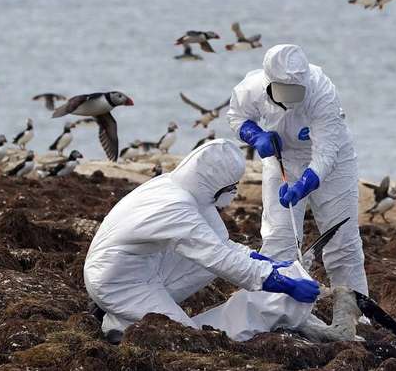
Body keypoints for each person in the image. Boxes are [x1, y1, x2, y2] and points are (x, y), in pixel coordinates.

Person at [83, 139, 320, 340]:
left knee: (205, 263)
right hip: (117, 282)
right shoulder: (176, 207)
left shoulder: (186, 189)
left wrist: (266, 262)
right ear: (215, 182)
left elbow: (221, 243)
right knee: (184, 336)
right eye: (231, 186)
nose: (234, 192)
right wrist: (283, 284)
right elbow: (218, 258)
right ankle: (120, 325)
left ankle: (121, 320)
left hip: (140, 265)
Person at [228, 44, 368, 295]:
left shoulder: (322, 91)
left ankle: (353, 309)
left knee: (343, 243)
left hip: (333, 163)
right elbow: (237, 116)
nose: (291, 98)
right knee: (279, 239)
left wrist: (304, 184)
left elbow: (326, 152)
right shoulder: (252, 88)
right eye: (284, 91)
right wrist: (255, 135)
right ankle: (273, 307)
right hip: (282, 158)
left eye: (296, 91)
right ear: (269, 83)